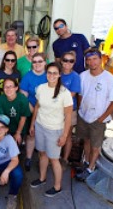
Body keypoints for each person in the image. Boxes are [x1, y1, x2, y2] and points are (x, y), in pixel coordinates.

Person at [29, 62, 73, 197]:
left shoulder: (64, 93)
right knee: (42, 154)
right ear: (46, 74)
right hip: (40, 126)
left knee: (54, 159)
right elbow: (37, 107)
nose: (51, 75)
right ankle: (42, 178)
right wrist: (32, 125)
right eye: (49, 72)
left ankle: (57, 186)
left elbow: (68, 116)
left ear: (59, 74)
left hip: (55, 130)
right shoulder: (41, 88)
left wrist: (65, 136)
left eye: (55, 73)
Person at [75, 48, 113, 181]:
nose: (92, 62)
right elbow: (80, 95)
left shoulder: (109, 78)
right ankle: (87, 162)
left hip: (98, 119)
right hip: (84, 116)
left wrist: (102, 117)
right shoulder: (83, 75)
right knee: (86, 141)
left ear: (101, 59)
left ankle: (90, 168)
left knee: (96, 145)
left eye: (94, 59)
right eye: (88, 59)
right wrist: (80, 110)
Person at [20, 52, 47, 171]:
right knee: (31, 134)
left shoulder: (49, 75)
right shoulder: (28, 76)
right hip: (31, 108)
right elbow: (23, 96)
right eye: (34, 62)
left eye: (40, 61)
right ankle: (29, 158)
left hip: (46, 111)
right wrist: (32, 109)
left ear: (45, 63)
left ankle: (44, 159)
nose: (37, 64)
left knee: (45, 136)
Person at [59, 51, 81, 167]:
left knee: (67, 135)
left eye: (71, 61)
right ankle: (55, 157)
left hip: (69, 110)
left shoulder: (75, 76)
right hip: (56, 110)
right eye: (65, 60)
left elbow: (72, 94)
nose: (68, 63)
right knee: (56, 133)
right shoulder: (57, 73)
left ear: (74, 62)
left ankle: (65, 159)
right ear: (61, 61)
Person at [0, 78, 31, 145]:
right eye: (6, 87)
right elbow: (0, 118)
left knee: (16, 146)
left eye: (11, 86)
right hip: (6, 128)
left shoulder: (22, 99)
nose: (8, 89)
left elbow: (23, 118)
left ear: (16, 88)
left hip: (19, 128)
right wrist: (3, 132)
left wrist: (18, 133)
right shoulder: (1, 99)